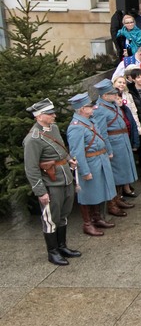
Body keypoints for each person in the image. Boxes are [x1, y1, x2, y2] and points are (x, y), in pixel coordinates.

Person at [24, 98, 79, 265]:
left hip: (65, 179)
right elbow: (31, 168)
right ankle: (53, 252)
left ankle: (62, 246)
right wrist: (40, 192)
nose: (54, 115)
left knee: (63, 214)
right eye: (50, 113)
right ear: (39, 116)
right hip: (51, 183)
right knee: (50, 219)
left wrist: (69, 160)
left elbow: (62, 150)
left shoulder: (53, 128)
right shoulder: (33, 139)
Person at [66, 92, 117, 237]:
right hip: (90, 163)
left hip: (99, 160)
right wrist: (84, 171)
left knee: (98, 191)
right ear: (82, 109)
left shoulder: (89, 121)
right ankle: (87, 224)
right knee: (86, 194)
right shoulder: (76, 127)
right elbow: (77, 152)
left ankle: (97, 217)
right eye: (90, 106)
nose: (94, 108)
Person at [93, 79, 138, 212]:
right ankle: (112, 204)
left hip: (122, 141)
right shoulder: (100, 110)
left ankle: (118, 198)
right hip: (114, 144)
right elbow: (102, 132)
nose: (115, 95)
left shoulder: (111, 105)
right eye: (112, 94)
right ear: (104, 95)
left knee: (122, 172)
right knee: (115, 175)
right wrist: (108, 149)